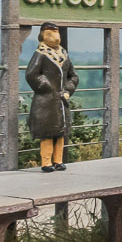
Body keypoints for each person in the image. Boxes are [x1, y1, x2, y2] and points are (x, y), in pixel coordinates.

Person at [25, 22, 79, 172]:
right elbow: (31, 74)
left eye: (57, 34)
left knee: (60, 132)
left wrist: (68, 89)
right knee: (47, 132)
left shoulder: (63, 54)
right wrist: (47, 87)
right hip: (46, 101)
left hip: (62, 100)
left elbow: (73, 76)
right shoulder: (40, 54)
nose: (55, 38)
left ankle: (58, 160)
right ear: (43, 36)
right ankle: (46, 161)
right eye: (50, 34)